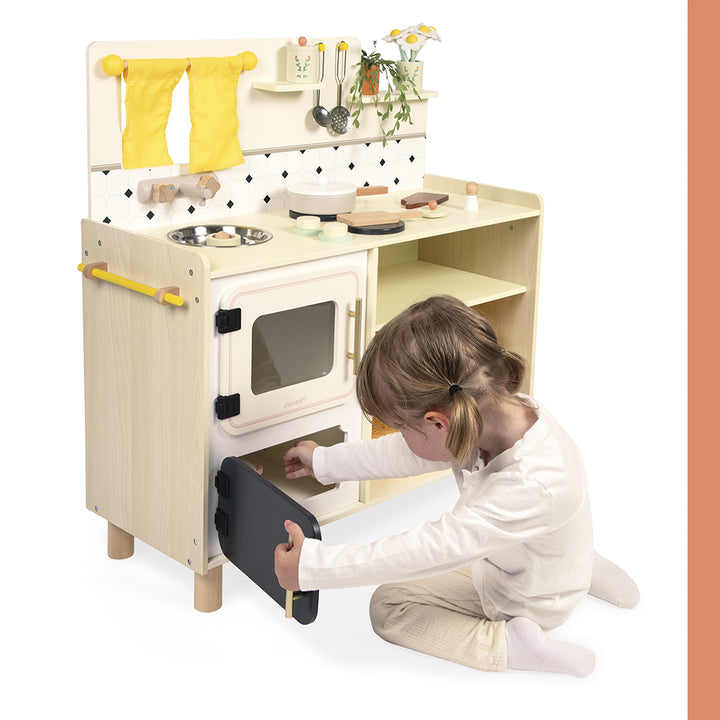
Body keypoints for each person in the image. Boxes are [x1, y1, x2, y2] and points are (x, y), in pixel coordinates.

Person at [274, 295, 639, 677]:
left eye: (402, 427)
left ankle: (512, 644)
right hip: (532, 555)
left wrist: (314, 567)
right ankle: (577, 561)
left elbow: (431, 548)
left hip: (523, 598)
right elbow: (406, 454)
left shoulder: (531, 485)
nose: (400, 437)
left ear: (438, 423)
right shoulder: (496, 414)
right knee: (547, 531)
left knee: (389, 606)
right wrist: (326, 462)